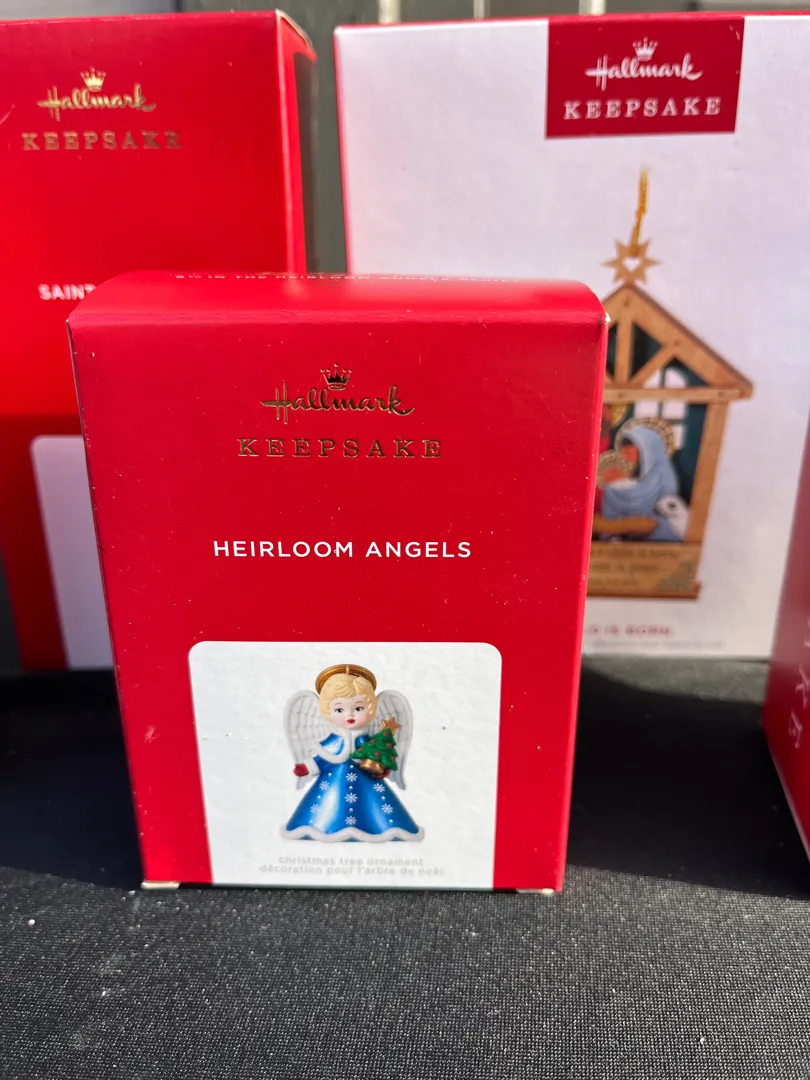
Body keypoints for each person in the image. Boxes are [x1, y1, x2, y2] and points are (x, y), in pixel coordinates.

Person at [282, 667, 423, 842]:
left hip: (367, 781)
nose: (349, 714)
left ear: (370, 709)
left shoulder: (366, 741)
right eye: (339, 710)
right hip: (332, 783)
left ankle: (376, 826)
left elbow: (376, 753)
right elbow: (323, 756)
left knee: (376, 806)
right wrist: (307, 767)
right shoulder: (334, 740)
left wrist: (382, 766)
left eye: (358, 708)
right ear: (327, 712)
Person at [601, 422, 683, 542]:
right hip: (630, 526)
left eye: (628, 451)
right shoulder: (637, 469)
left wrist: (619, 488)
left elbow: (663, 503)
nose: (624, 456)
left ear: (645, 448)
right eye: (623, 452)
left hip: (658, 524)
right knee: (611, 490)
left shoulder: (663, 472)